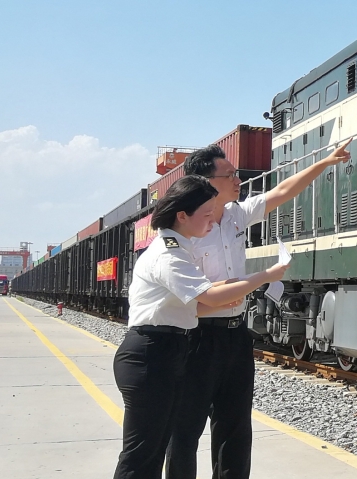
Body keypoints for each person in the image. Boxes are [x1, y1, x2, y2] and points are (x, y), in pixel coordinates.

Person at [165, 138, 351, 479]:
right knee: (184, 429)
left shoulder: (237, 214)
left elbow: (282, 191)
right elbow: (187, 294)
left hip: (235, 336)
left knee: (235, 427)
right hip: (196, 337)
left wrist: (325, 162)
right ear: (206, 182)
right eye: (230, 175)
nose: (239, 180)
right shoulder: (185, 230)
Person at [112, 175, 286, 479]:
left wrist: (234, 288)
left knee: (153, 450)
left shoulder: (182, 248)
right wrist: (266, 276)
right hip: (151, 354)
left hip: (167, 350)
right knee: (142, 456)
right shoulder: (170, 254)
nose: (211, 221)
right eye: (206, 214)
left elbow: (201, 300)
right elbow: (210, 296)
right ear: (182, 216)